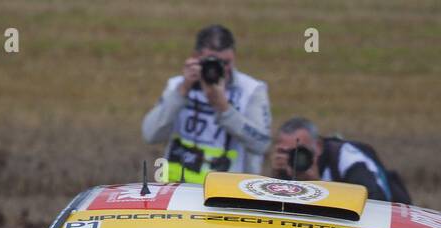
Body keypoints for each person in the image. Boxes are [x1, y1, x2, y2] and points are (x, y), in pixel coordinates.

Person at [142, 25, 271, 182]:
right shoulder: (177, 86)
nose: (221, 69)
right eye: (213, 61)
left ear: (234, 57)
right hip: (176, 189)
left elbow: (261, 144)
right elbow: (150, 135)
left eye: (227, 62)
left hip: (227, 193)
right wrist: (181, 92)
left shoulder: (250, 91)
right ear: (196, 57)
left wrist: (225, 109)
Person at [269, 118, 412, 204]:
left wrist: (319, 185)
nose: (295, 159)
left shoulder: (350, 160)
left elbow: (376, 205)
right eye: (286, 152)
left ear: (318, 146)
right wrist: (275, 180)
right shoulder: (284, 168)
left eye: (301, 152)